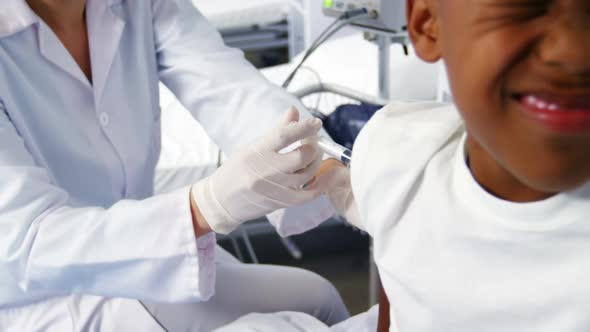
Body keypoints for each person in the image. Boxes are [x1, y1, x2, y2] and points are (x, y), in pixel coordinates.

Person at [219, 0, 590, 330]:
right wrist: (328, 174)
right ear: (428, 23)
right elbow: (397, 295)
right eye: (523, 4)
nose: (576, 52)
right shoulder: (398, 149)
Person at [0, 0, 350, 330]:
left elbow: (228, 88)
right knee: (314, 306)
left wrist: (334, 177)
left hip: (140, 255)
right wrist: (204, 206)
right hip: (37, 297)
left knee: (318, 300)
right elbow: (28, 243)